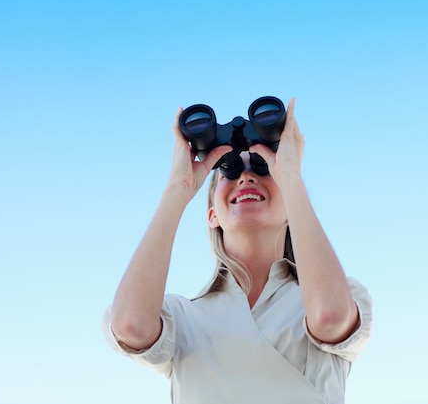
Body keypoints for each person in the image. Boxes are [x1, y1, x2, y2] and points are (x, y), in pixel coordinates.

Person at [101, 98, 373, 404]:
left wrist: (290, 175)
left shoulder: (331, 294)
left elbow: (329, 316)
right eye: (228, 171)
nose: (245, 176)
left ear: (291, 208)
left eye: (262, 168)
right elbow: (129, 325)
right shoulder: (184, 318)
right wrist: (178, 188)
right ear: (212, 215)